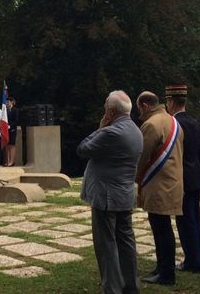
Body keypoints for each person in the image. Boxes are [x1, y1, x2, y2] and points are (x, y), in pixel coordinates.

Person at [77, 90, 142, 294]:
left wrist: (101, 128)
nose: (104, 109)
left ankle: (112, 287)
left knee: (106, 245)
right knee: (126, 242)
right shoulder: (135, 130)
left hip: (106, 196)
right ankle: (130, 285)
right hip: (124, 194)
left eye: (106, 106)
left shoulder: (111, 132)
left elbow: (83, 149)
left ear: (111, 111)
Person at [135, 91, 183, 286]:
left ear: (145, 105)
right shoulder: (173, 121)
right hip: (172, 181)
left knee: (161, 229)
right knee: (162, 228)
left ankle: (166, 273)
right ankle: (162, 267)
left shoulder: (151, 124)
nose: (139, 113)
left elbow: (142, 156)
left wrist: (135, 177)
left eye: (139, 108)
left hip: (158, 184)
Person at [165, 85, 200, 273]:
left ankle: (193, 261)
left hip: (182, 177)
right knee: (194, 219)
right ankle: (196, 257)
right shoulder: (195, 122)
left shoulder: (173, 124)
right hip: (196, 175)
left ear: (171, 102)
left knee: (186, 221)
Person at [6, 97, 19, 166]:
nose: (7, 103)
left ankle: (12, 161)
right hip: (6, 130)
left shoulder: (15, 110)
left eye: (8, 102)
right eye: (6, 102)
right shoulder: (5, 110)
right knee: (7, 145)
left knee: (12, 145)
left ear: (11, 102)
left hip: (12, 130)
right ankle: (8, 160)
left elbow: (16, 120)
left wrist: (10, 126)